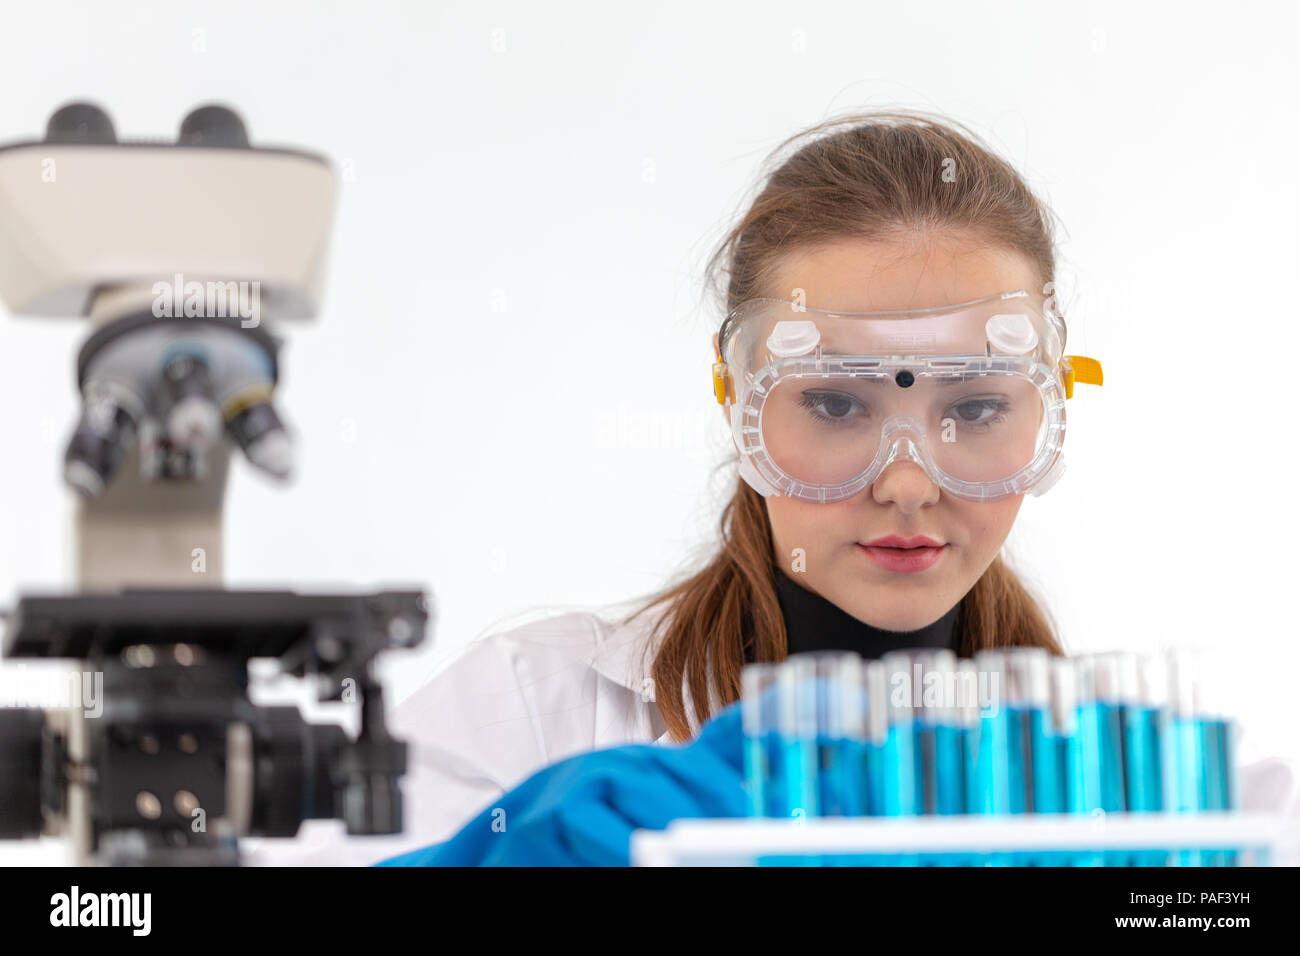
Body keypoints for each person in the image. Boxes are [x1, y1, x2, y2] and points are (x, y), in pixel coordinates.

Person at [245, 109, 1299, 867]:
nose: (904, 483)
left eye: (974, 409)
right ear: (739, 401)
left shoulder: (1147, 789)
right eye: (836, 405)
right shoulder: (538, 714)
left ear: (1046, 407)